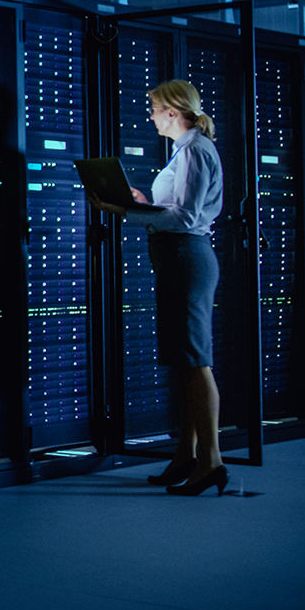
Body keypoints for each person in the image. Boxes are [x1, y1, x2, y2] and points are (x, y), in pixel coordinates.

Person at [88, 79, 228, 497]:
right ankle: (187, 455)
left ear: (172, 111)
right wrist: (142, 202)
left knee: (195, 360)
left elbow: (185, 218)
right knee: (184, 362)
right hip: (177, 257)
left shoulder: (196, 150)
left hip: (187, 255)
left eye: (153, 109)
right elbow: (177, 209)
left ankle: (212, 461)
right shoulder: (185, 152)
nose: (149, 116)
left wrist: (122, 211)